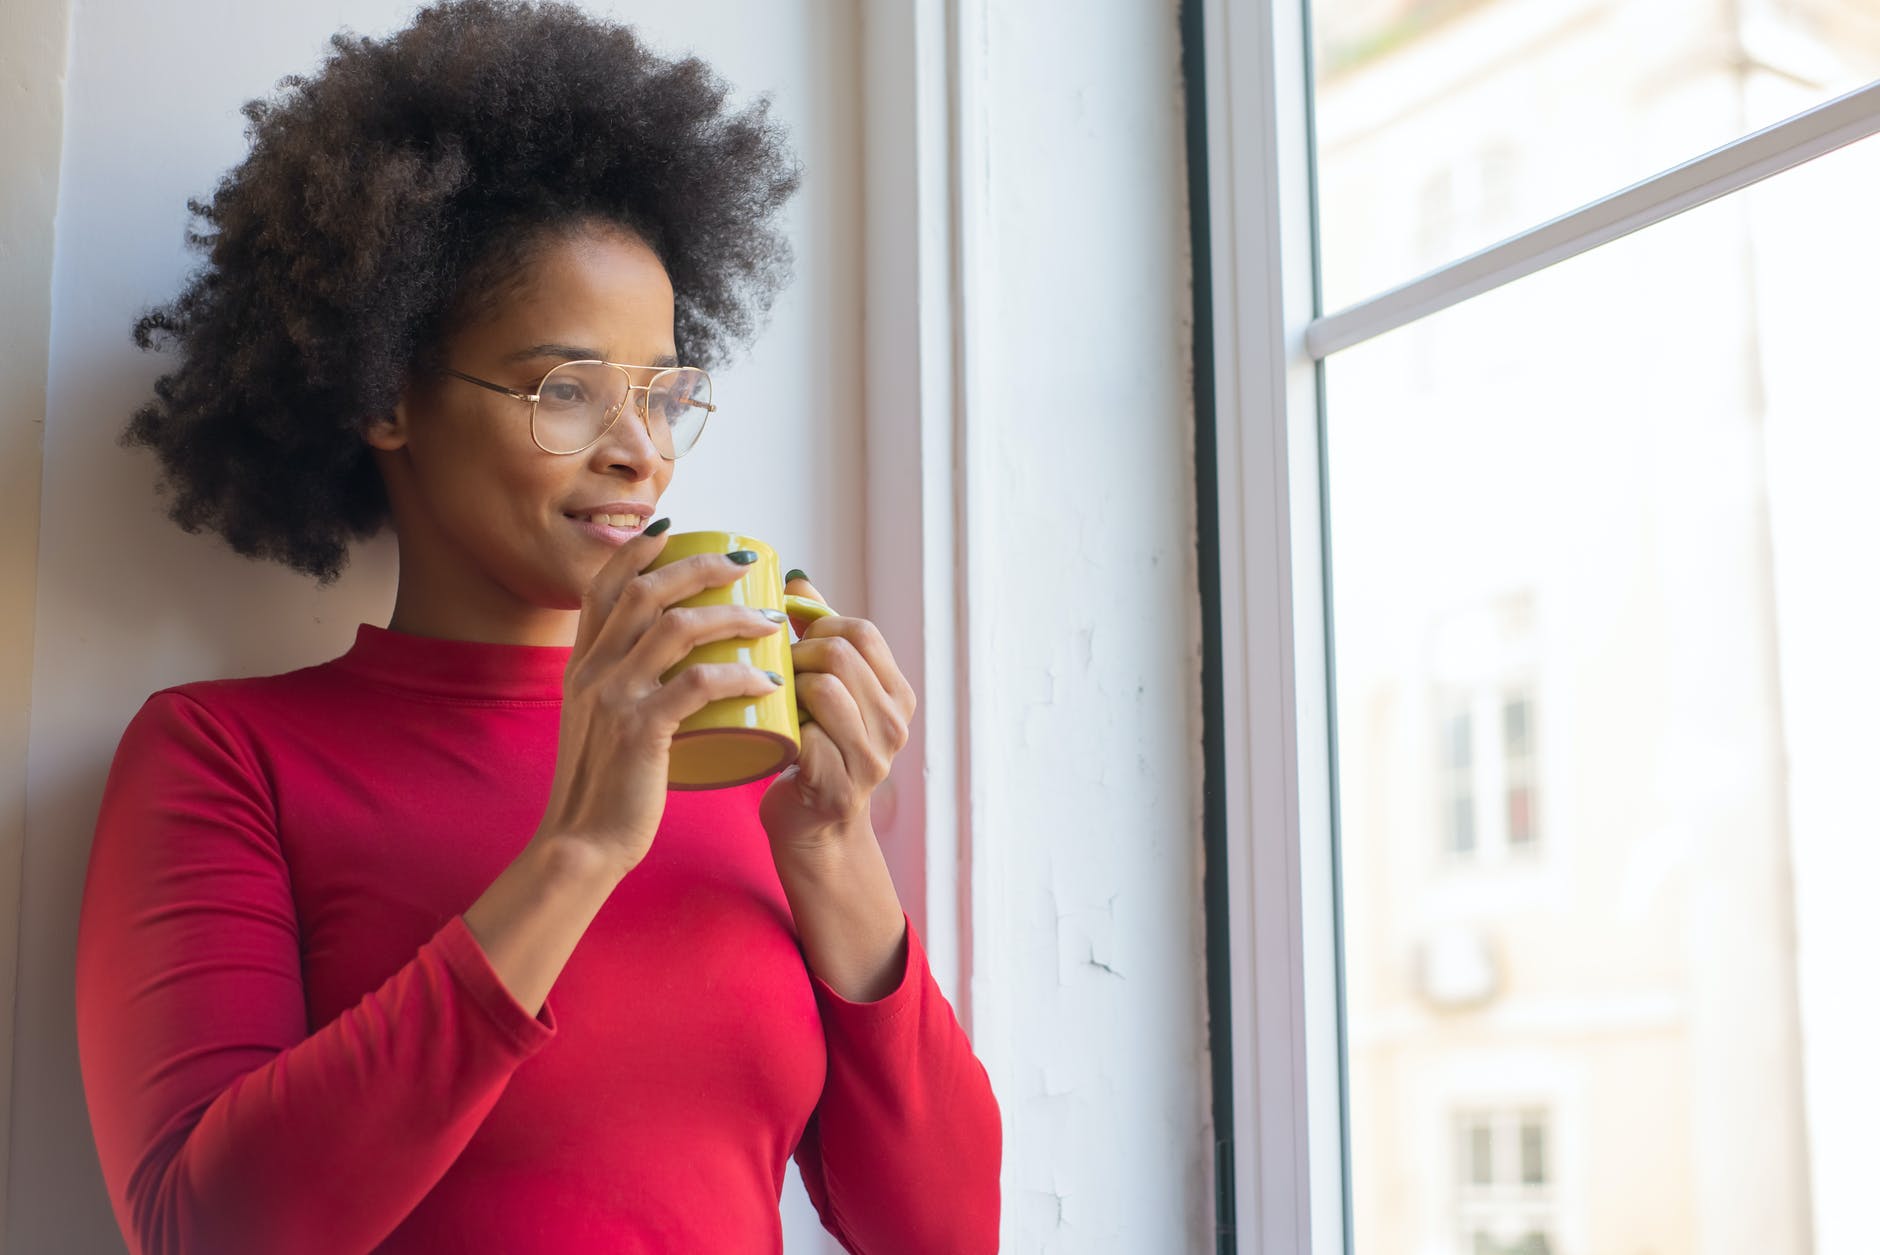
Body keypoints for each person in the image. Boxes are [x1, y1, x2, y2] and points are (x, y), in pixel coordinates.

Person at [71, 2, 1002, 1251]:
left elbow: (942, 1233)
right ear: (388, 397)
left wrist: (834, 846)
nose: (639, 454)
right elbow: (209, 1229)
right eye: (567, 389)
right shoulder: (227, 757)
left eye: (664, 396)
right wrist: (576, 852)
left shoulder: (742, 766)